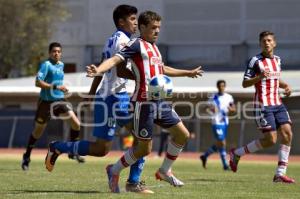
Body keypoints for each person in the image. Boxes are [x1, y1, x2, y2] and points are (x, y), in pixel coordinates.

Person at [85, 10, 203, 193]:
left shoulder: (155, 48)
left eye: (159, 28)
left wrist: (187, 73)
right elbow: (115, 60)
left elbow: (161, 69)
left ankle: (164, 171)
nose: (157, 31)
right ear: (142, 27)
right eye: (153, 28)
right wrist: (98, 70)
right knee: (144, 149)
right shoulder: (135, 45)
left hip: (160, 102)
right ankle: (114, 170)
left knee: (183, 134)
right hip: (143, 104)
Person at [43, 5, 154, 194]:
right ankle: (133, 182)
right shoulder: (123, 41)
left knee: (101, 149)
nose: (136, 23)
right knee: (142, 138)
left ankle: (58, 147)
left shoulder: (113, 39)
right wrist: (142, 77)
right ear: (121, 21)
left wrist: (92, 94)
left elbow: (101, 69)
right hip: (117, 97)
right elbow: (118, 70)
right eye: (133, 19)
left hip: (107, 97)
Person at [229, 31, 295, 183]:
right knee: (271, 140)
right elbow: (245, 83)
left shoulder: (278, 60)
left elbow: (276, 79)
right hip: (263, 105)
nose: (266, 43)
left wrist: (286, 86)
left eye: (269, 40)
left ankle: (280, 174)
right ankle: (237, 153)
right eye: (263, 40)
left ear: (274, 43)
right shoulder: (255, 61)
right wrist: (259, 77)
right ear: (260, 43)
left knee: (287, 134)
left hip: (278, 104)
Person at [21, 42, 84, 171]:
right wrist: (55, 87)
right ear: (50, 53)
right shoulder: (46, 65)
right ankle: (26, 157)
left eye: (59, 51)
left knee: (76, 124)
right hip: (46, 103)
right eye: (54, 51)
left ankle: (73, 151)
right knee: (37, 132)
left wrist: (62, 90)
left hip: (59, 100)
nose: (57, 53)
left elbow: (58, 82)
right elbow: (37, 82)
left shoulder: (61, 65)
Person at [200, 80, 236, 170]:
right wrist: (211, 109)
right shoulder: (213, 97)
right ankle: (224, 165)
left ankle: (205, 156)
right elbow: (206, 108)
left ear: (225, 86)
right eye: (220, 86)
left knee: (221, 143)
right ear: (217, 87)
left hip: (225, 122)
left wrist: (231, 110)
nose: (221, 87)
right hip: (216, 121)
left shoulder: (229, 97)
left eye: (223, 86)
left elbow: (233, 109)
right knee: (222, 142)